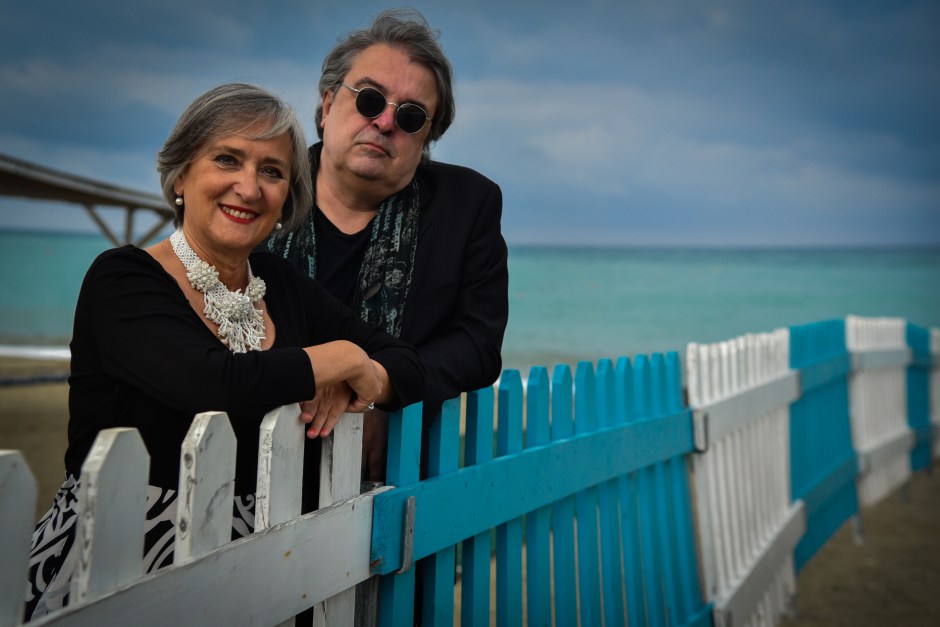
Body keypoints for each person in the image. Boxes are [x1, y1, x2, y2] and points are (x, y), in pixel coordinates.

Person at [24, 82, 425, 620]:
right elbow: (213, 383)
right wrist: (346, 359)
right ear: (181, 176)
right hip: (117, 567)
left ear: (286, 198)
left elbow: (407, 361)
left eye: (272, 171)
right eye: (227, 159)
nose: (249, 187)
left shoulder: (281, 284)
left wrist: (370, 376)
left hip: (267, 571)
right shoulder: (122, 279)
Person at [268, 9, 509, 482]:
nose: (383, 122)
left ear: (427, 138)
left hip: (391, 474)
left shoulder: (467, 205)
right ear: (327, 104)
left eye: (411, 115)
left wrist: (383, 389)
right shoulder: (265, 190)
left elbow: (478, 344)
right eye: (369, 99)